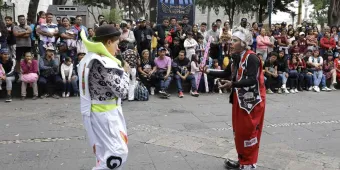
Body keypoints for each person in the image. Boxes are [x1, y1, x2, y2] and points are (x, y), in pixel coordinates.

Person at [201, 26, 266, 170]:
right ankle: (242, 159)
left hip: (252, 102)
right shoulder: (236, 57)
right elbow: (225, 73)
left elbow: (252, 80)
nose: (231, 43)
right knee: (239, 131)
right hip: (239, 99)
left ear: (244, 43)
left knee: (249, 132)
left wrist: (233, 84)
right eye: (231, 40)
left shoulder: (252, 58)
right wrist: (208, 71)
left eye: (235, 41)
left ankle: (249, 164)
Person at [78, 25, 129, 170]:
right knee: (118, 153)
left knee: (103, 154)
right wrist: (125, 72)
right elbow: (123, 91)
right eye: (116, 43)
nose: (118, 48)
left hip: (100, 112)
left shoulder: (91, 58)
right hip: (105, 114)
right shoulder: (102, 63)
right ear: (108, 42)